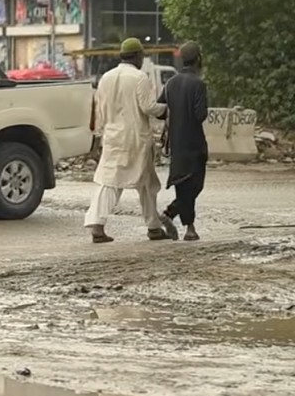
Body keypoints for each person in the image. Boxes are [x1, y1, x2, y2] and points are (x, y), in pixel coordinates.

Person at [84, 38, 169, 243]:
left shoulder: (106, 77)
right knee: (147, 184)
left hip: (113, 137)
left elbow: (100, 108)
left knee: (108, 182)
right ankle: (154, 227)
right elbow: (148, 107)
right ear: (138, 56)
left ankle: (97, 225)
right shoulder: (139, 77)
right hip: (136, 140)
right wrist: (167, 108)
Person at [159, 42, 209, 241]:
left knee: (183, 185)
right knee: (195, 186)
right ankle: (169, 213)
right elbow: (200, 115)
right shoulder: (199, 84)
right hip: (195, 144)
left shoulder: (171, 83)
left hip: (176, 144)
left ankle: (190, 228)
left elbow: (160, 109)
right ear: (198, 59)